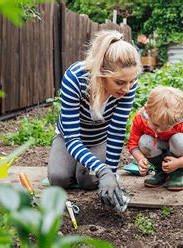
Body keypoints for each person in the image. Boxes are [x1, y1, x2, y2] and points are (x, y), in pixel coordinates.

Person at [47, 30, 142, 207]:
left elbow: (116, 131)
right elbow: (73, 139)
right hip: (69, 137)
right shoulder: (75, 78)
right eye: (120, 82)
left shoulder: (128, 84)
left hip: (99, 139)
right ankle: (72, 163)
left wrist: (111, 175)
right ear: (101, 73)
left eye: (131, 81)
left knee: (88, 181)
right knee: (58, 178)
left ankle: (81, 169)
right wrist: (102, 169)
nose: (127, 89)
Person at [127, 86, 183, 191]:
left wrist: (179, 163)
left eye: (166, 127)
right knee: (144, 141)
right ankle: (160, 172)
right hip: (157, 148)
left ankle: (177, 173)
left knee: (180, 140)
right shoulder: (140, 118)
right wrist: (140, 159)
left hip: (177, 151)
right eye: (156, 125)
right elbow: (133, 144)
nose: (160, 130)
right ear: (147, 111)